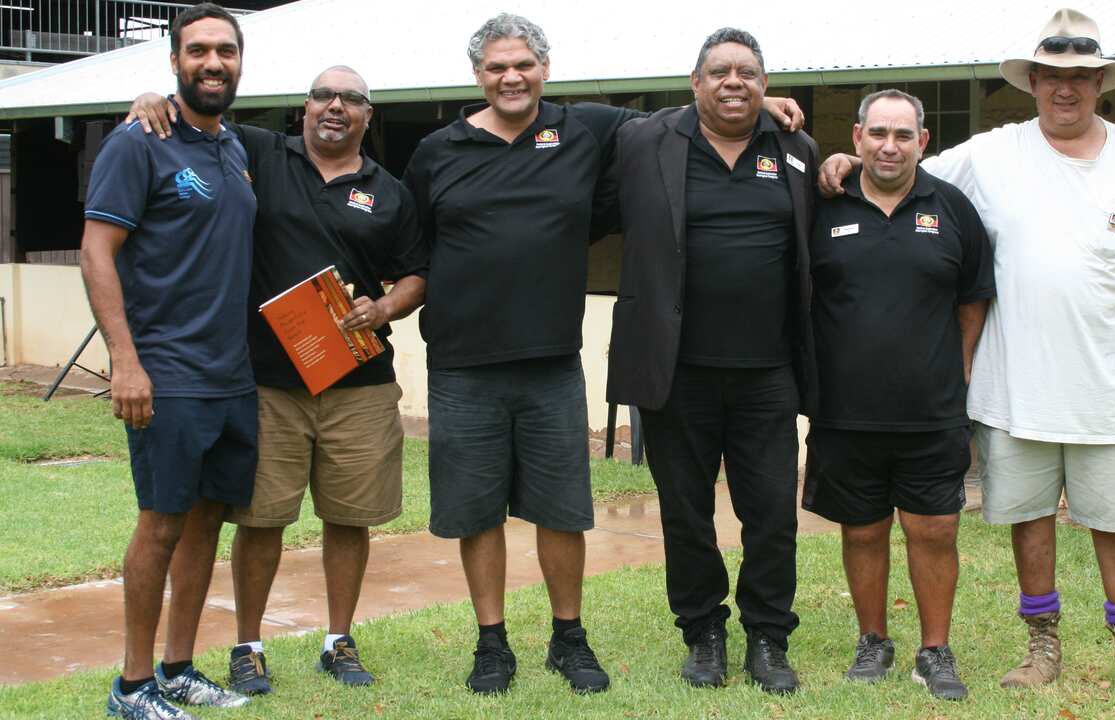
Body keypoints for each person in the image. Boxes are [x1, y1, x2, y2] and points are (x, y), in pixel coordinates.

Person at [401, 13, 804, 697]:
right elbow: (409, 243)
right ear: (477, 74)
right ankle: (518, 642)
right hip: (512, 363)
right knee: (504, 513)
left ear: (545, 68)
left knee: (588, 510)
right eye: (497, 66)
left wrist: (764, 106)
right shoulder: (441, 150)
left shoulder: (589, 129)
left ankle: (612, 639)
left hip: (607, 362)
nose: (511, 76)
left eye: (523, 64)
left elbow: (704, 118)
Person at [818, 7, 1115, 708]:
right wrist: (841, 161)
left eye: (1080, 77)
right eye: (1052, 76)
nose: (1065, 89)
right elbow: (900, 170)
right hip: (1015, 388)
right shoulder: (993, 152)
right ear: (1033, 83)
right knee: (1029, 522)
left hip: (1104, 388)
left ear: (1099, 85)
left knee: (1113, 524)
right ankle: (1041, 647)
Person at [127, 65, 427, 694]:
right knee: (260, 519)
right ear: (304, 109)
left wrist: (384, 307)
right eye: (323, 95)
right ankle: (248, 644)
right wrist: (156, 99)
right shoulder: (260, 152)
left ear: (369, 116)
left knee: (350, 518)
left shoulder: (391, 192)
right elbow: (200, 117)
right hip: (264, 383)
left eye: (351, 99)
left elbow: (416, 274)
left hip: (360, 383)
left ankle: (337, 640)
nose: (335, 106)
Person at [604, 27, 817, 694]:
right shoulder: (645, 140)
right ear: (693, 83)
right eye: (719, 72)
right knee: (686, 512)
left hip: (768, 373)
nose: (734, 82)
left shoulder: (796, 149)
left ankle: (767, 636)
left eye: (748, 74)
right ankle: (703, 631)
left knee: (774, 512)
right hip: (676, 372)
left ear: (765, 84)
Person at [81, 4, 256, 718]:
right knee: (160, 522)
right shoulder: (139, 142)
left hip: (231, 375)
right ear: (175, 62)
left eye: (225, 51)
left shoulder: (237, 149)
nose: (212, 63)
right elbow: (97, 252)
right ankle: (132, 685)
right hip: (167, 373)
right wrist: (125, 361)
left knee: (207, 519)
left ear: (240, 62)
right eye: (198, 51)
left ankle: (179, 667)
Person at [804, 89, 993, 700]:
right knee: (861, 531)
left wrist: (956, 369)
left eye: (903, 135)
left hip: (931, 410)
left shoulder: (953, 208)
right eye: (878, 133)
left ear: (923, 141)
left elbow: (973, 299)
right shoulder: (822, 205)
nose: (890, 145)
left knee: (935, 530)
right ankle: (873, 640)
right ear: (856, 138)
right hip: (844, 409)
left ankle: (934, 651)